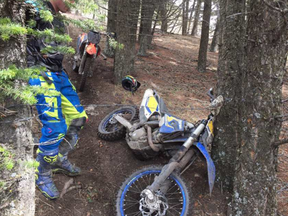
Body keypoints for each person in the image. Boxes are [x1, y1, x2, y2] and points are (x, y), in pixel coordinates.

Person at [26, 0, 88, 199]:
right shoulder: (33, 7)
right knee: (55, 127)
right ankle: (42, 174)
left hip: (58, 74)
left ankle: (59, 158)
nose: (74, 2)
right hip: (39, 73)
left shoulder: (58, 18)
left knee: (79, 118)